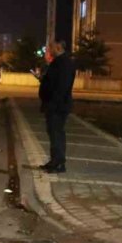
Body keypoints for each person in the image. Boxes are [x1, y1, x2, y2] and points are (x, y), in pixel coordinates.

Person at [39, 39, 76, 173]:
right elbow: (54, 81)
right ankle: (54, 161)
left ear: (59, 47)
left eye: (51, 47)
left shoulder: (64, 63)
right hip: (55, 104)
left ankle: (59, 163)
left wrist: (53, 103)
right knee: (53, 133)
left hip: (57, 106)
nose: (49, 50)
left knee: (56, 133)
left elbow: (61, 86)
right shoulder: (59, 62)